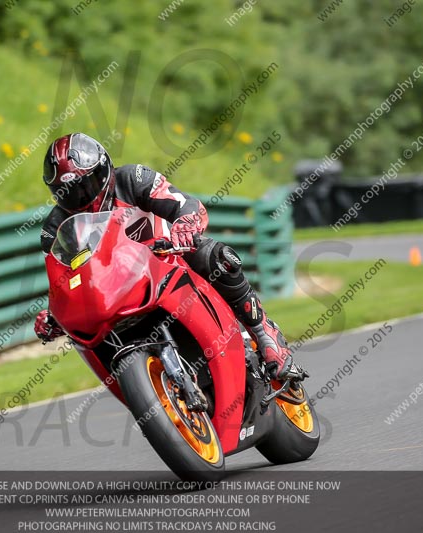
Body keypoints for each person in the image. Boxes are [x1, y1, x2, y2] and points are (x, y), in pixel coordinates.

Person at [33, 132, 294, 379]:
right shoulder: (55, 228)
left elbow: (186, 204)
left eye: (86, 185)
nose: (81, 198)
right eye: (67, 193)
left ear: (104, 171)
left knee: (215, 256)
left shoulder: (131, 179)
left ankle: (264, 334)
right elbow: (62, 281)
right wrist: (54, 314)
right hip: (114, 291)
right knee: (86, 335)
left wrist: (186, 223)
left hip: (168, 261)